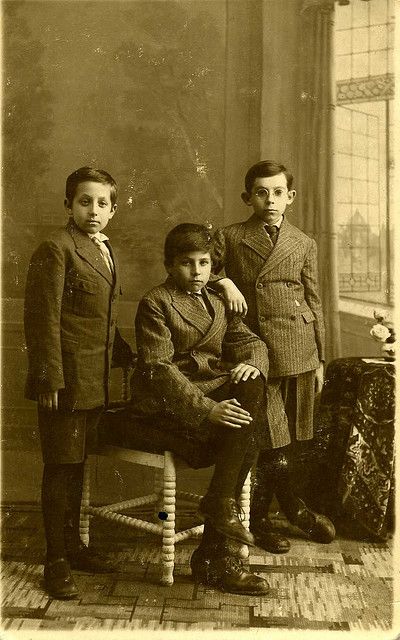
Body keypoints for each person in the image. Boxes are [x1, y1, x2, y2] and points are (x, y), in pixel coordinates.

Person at [127, 223, 275, 595]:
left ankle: (217, 503)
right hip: (168, 403)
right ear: (169, 265)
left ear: (213, 265)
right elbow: (159, 372)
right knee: (245, 434)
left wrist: (252, 362)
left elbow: (250, 340)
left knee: (253, 383)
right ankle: (215, 557)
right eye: (186, 263)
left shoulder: (217, 297)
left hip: (207, 391)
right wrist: (208, 409)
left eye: (204, 263)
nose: (196, 272)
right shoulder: (156, 302)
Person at [213, 160, 335, 554]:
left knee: (295, 438)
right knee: (267, 437)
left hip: (298, 346)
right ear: (248, 197)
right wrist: (226, 280)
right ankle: (264, 517)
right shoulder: (230, 236)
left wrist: (320, 358)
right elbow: (202, 271)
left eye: (278, 192)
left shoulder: (303, 242)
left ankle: (289, 508)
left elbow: (314, 300)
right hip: (255, 346)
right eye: (261, 192)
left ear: (290, 197)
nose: (270, 200)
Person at [24, 167, 133, 599]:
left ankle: (75, 545)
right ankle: (56, 561)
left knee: (77, 465)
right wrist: (49, 377)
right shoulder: (56, 248)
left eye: (102, 203)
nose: (94, 210)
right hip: (66, 382)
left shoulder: (105, 250)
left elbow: (103, 322)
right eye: (84, 201)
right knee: (61, 468)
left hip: (95, 382)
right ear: (68, 204)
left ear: (113, 209)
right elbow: (41, 318)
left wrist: (132, 358)